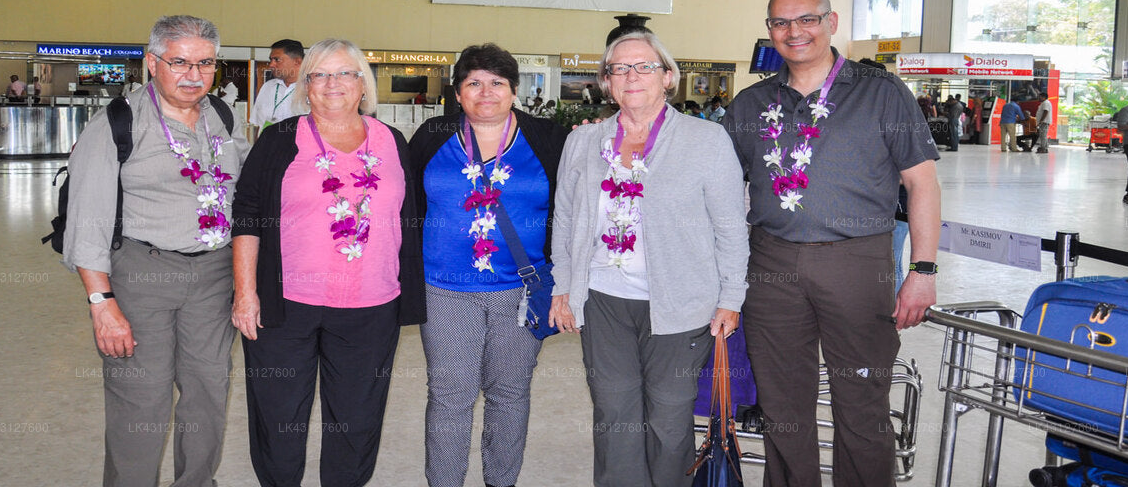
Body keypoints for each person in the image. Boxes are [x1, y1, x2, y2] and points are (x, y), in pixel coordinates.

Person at [722, 0, 940, 487]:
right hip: (770, 265)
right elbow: (718, 187)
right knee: (781, 405)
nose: (794, 31)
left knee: (862, 403)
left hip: (857, 263)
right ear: (769, 31)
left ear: (832, 21)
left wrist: (922, 271)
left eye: (807, 19)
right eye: (780, 23)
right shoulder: (752, 103)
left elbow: (922, 183)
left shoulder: (880, 92)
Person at [549, 31, 749, 487]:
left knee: (668, 415)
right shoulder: (583, 143)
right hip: (602, 300)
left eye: (644, 66)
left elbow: (731, 227)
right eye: (619, 68)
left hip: (683, 304)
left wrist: (732, 297)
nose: (631, 76)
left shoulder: (706, 139)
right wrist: (563, 286)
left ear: (667, 78)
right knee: (614, 412)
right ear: (606, 81)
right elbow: (564, 220)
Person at [231, 38, 425, 487]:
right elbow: (247, 215)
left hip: (371, 308)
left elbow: (410, 216)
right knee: (279, 420)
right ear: (306, 84)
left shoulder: (392, 141)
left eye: (345, 73)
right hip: (284, 307)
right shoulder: (279, 140)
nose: (332, 83)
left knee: (356, 423)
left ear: (363, 85)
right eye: (319, 74)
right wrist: (245, 293)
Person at [62, 15, 247, 487]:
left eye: (205, 63)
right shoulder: (118, 122)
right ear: (152, 63)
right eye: (179, 62)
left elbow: (244, 192)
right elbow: (87, 220)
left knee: (208, 391)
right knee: (140, 398)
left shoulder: (223, 118)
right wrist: (102, 304)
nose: (193, 74)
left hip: (214, 277)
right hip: (141, 275)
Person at [409, 44, 567, 487]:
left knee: (510, 394)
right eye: (473, 82)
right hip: (444, 289)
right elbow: (407, 207)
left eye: (497, 83)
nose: (486, 92)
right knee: (449, 395)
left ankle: (502, 481)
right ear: (458, 93)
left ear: (514, 90)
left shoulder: (548, 138)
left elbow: (569, 210)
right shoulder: (433, 134)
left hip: (521, 290)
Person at [250, 38, 306, 137]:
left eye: (277, 60)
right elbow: (258, 126)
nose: (271, 65)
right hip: (267, 149)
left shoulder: (311, 89)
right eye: (270, 60)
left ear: (297, 62)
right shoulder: (267, 87)